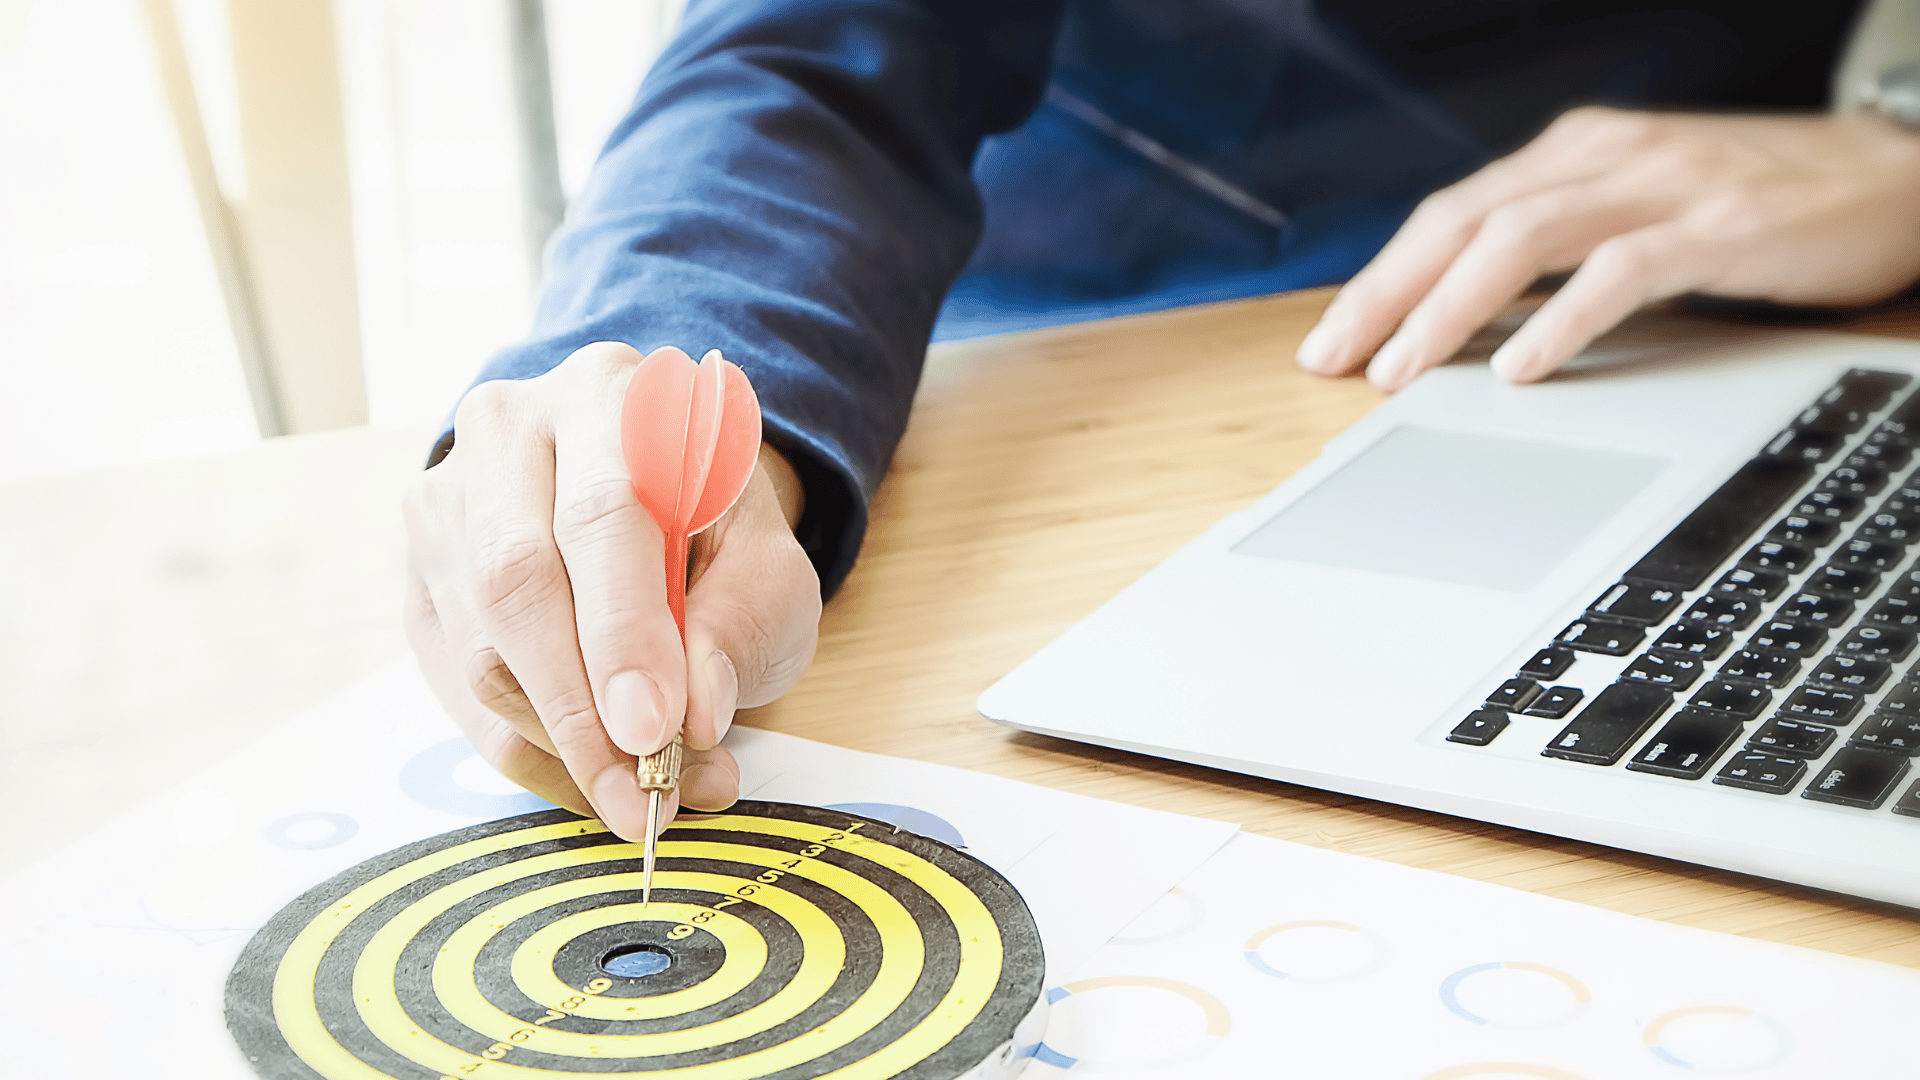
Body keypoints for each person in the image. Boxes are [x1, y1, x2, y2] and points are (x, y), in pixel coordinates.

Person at [403, 0, 1920, 840]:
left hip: (1677, 329)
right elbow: (808, 60)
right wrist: (696, 376)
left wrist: (1900, 148)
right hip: (1085, 353)